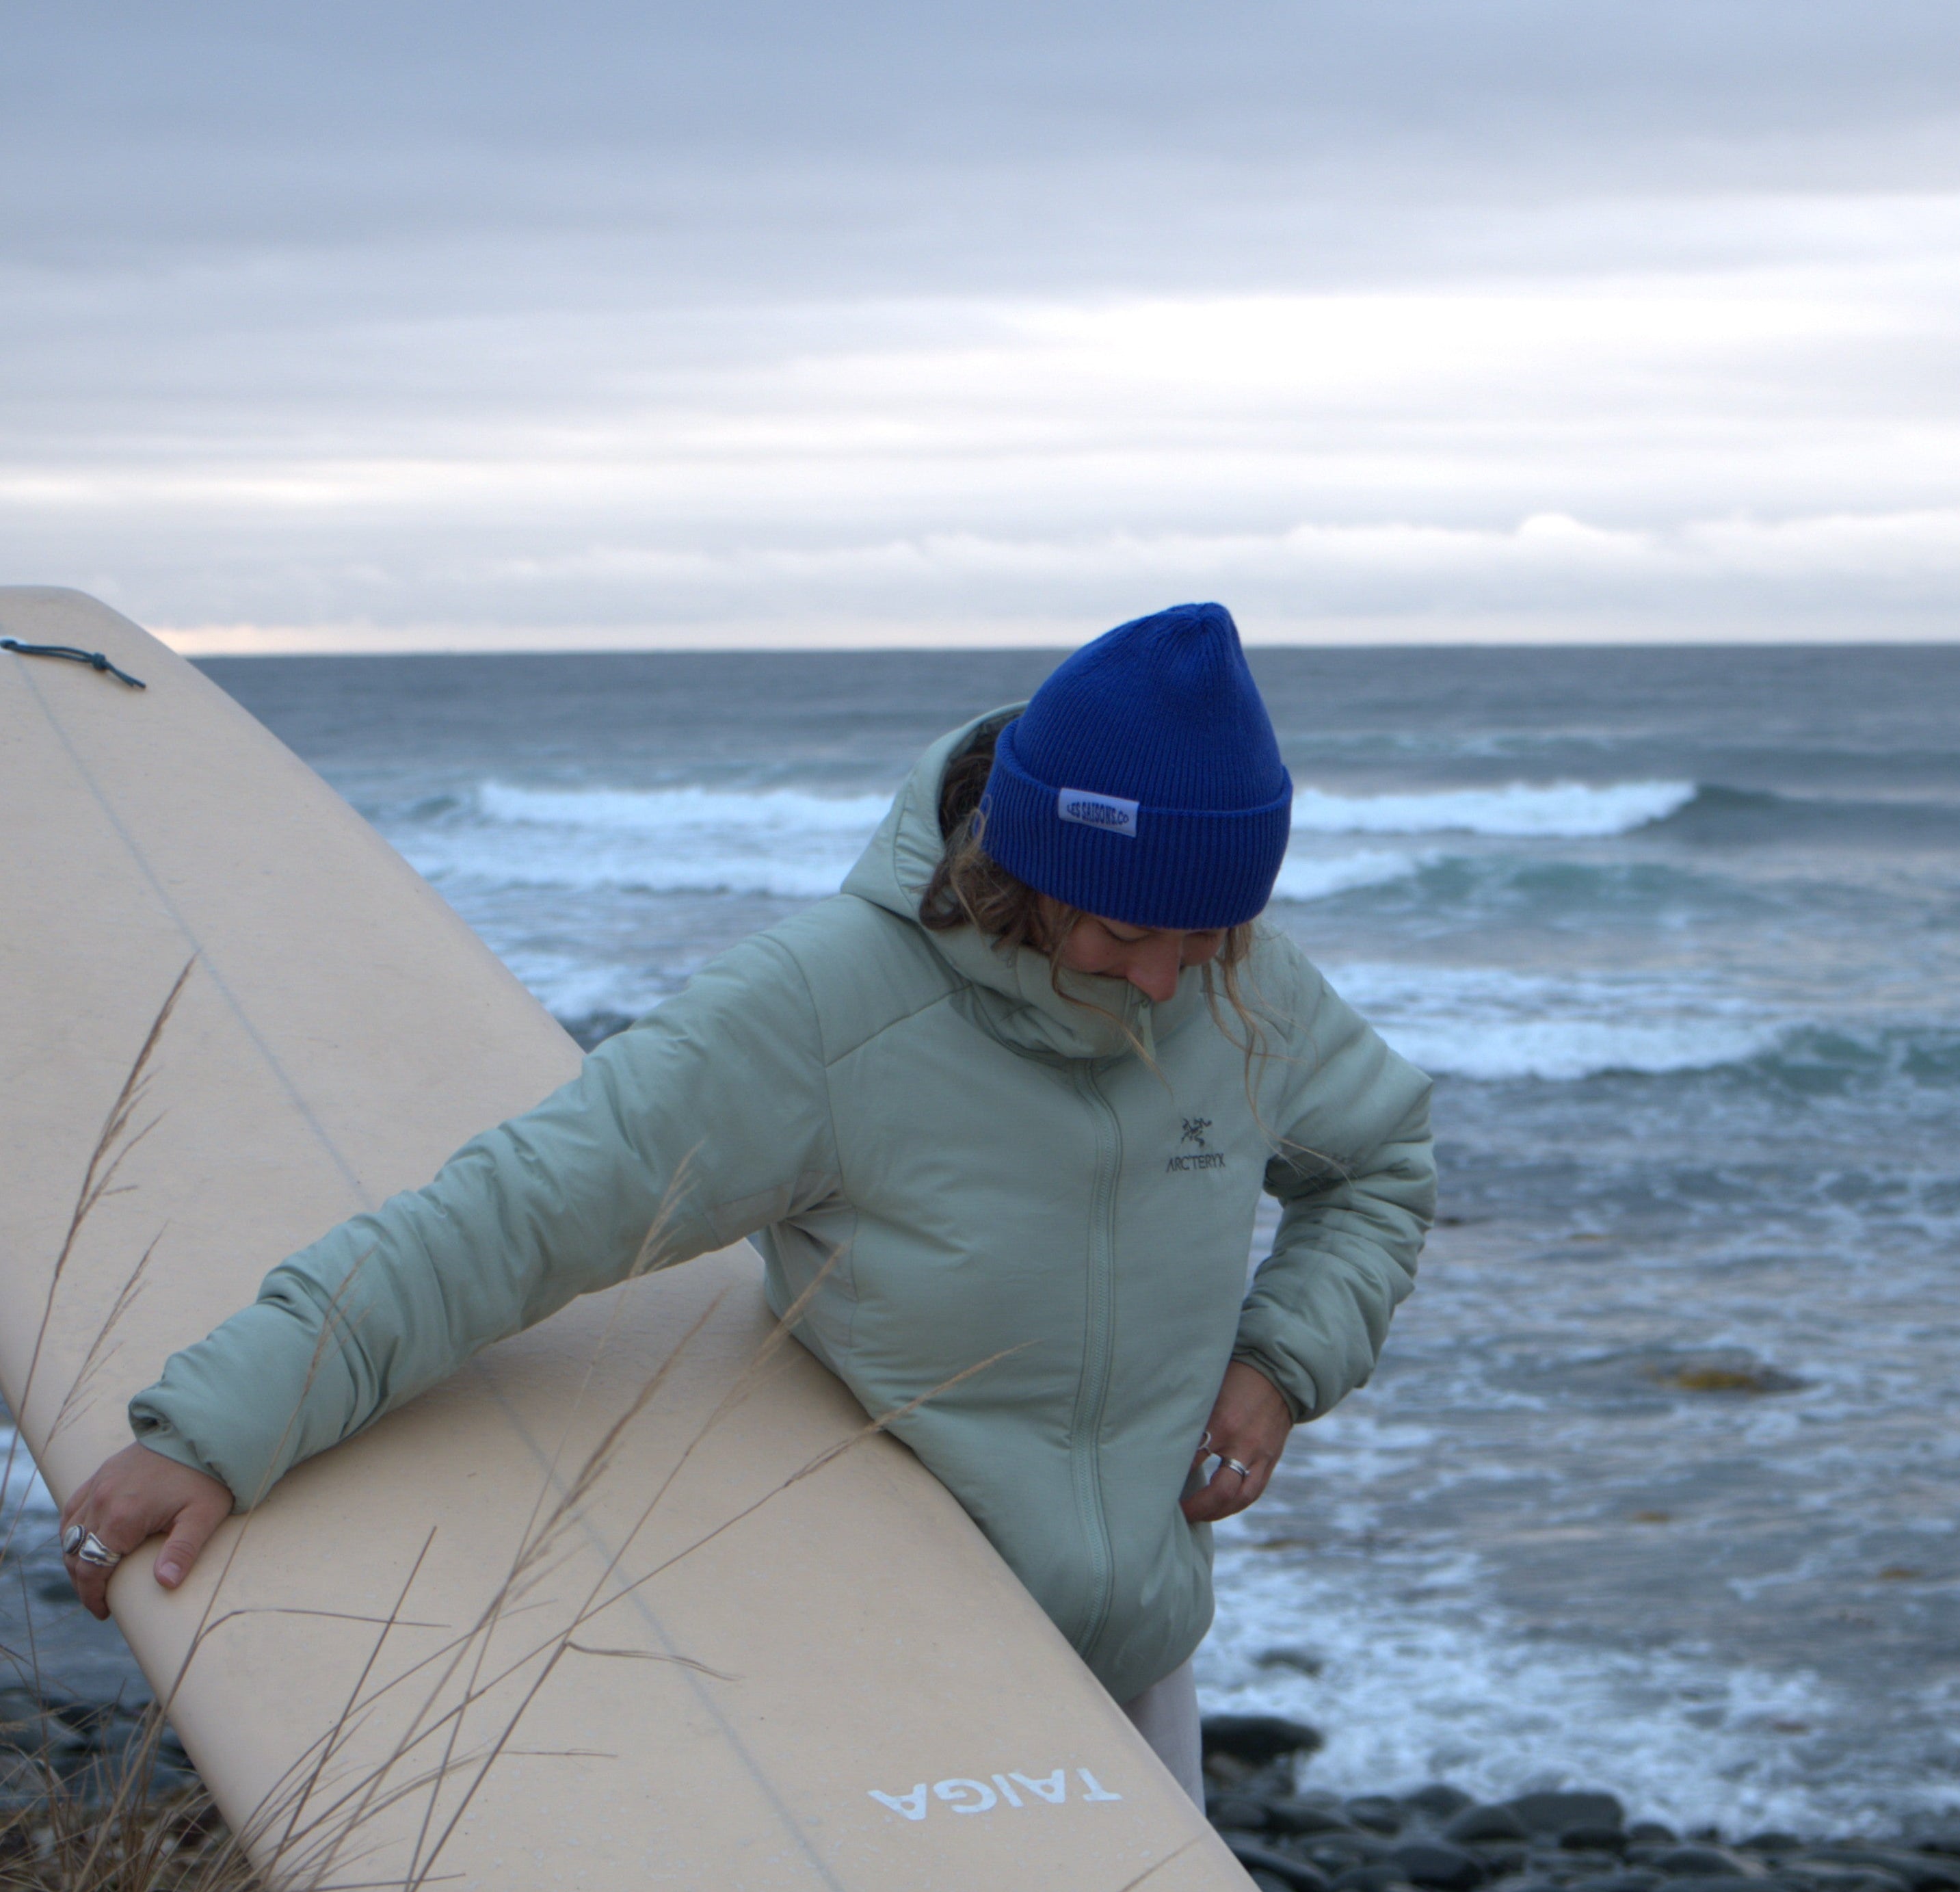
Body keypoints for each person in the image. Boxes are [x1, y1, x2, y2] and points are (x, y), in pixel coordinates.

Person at [59, 602, 1435, 1807]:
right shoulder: (826, 1011)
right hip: (880, 1657)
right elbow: (520, 1211)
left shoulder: (1240, 989)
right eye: (1123, 934)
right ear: (1019, 868)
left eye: (1203, 937)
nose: (1162, 984)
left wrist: (1277, 1362)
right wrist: (224, 1423)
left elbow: (1379, 1163)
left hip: (1141, 1662)